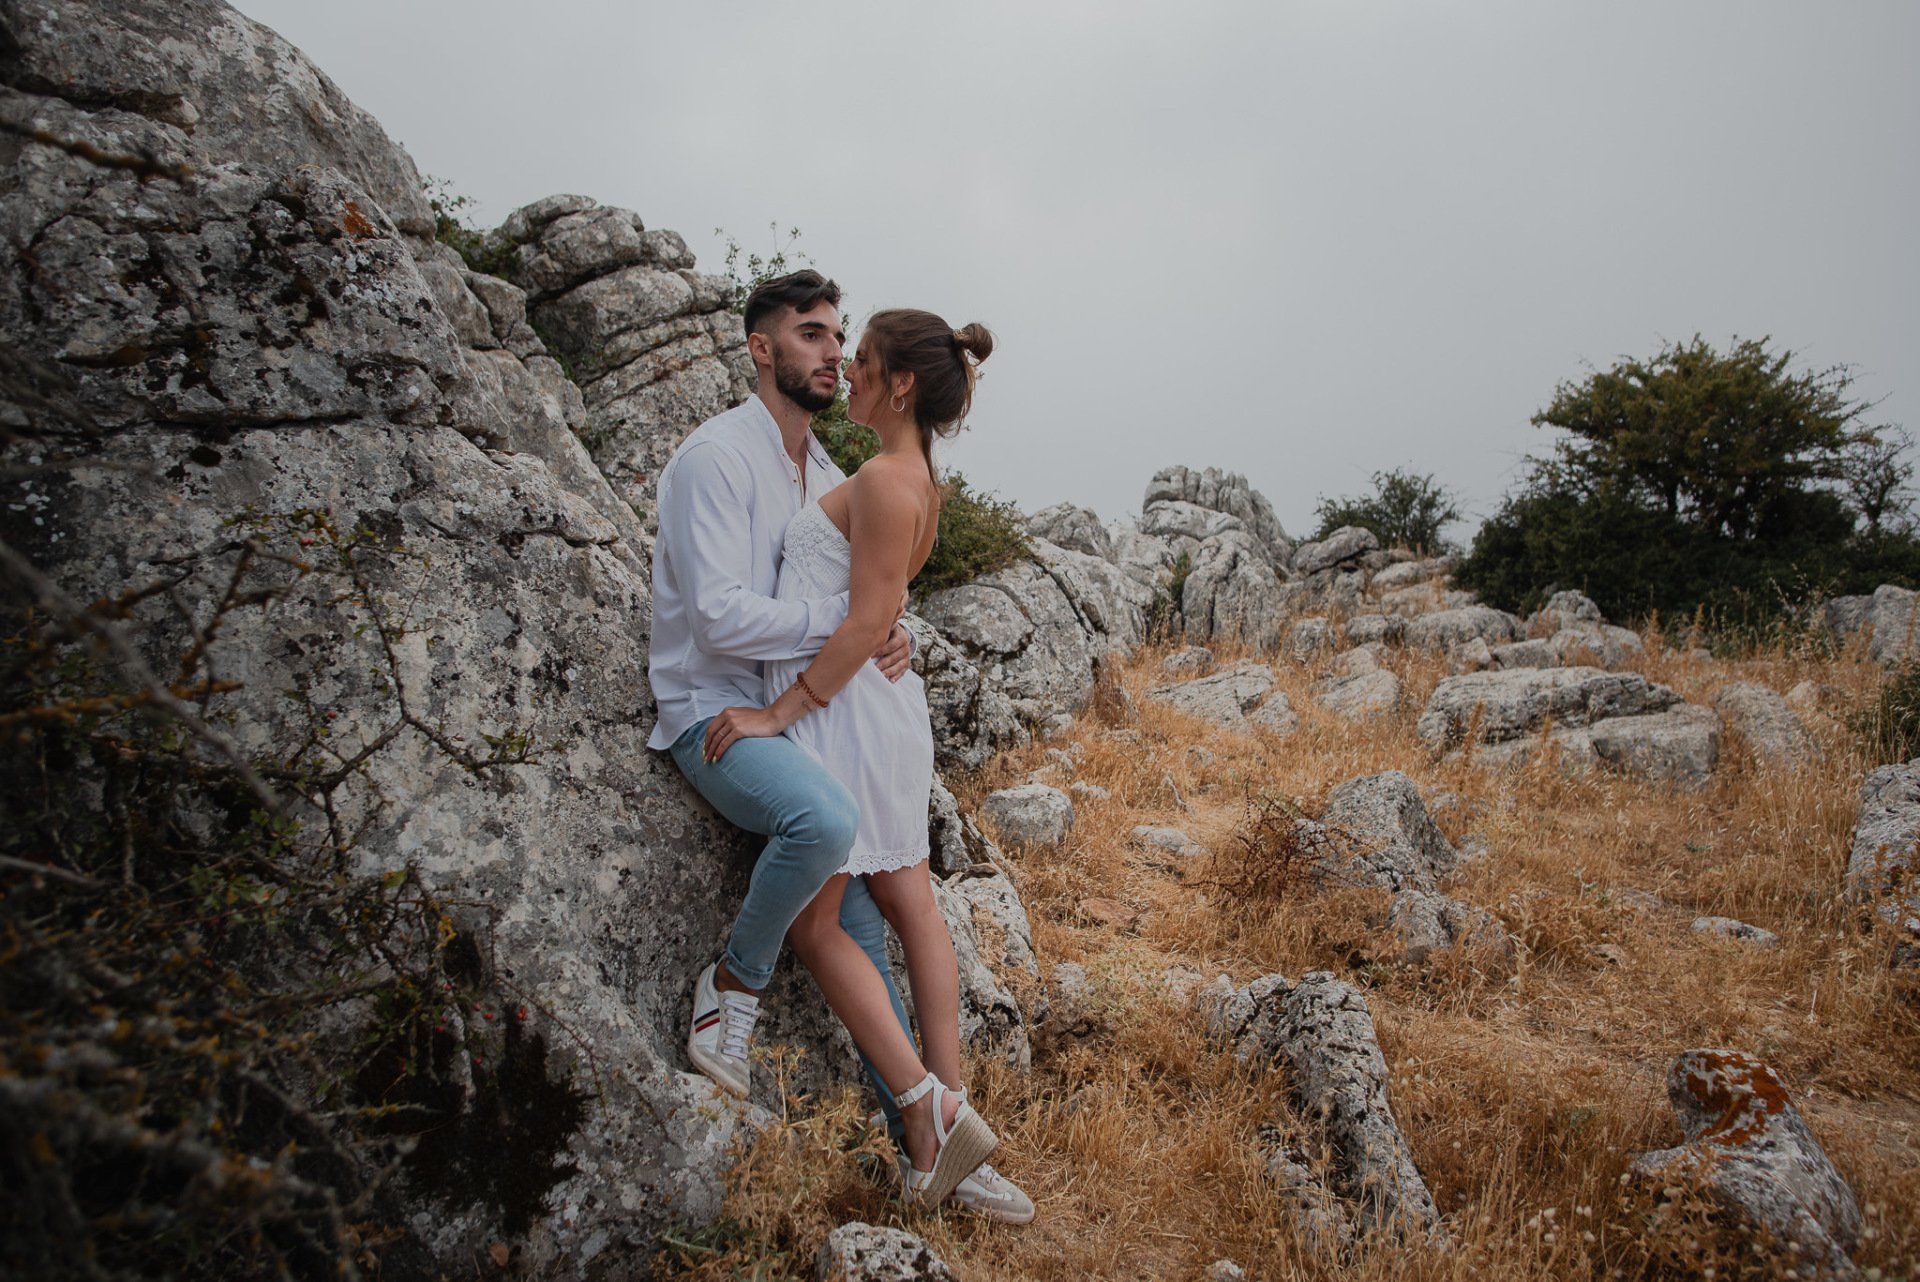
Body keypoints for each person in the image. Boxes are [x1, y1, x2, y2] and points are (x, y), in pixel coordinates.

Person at [700, 305, 1030, 1216]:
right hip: (878, 710)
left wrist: (780, 711)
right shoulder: (909, 476)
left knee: (818, 927)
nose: (847, 368)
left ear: (902, 383)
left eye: (865, 359)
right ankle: (949, 1114)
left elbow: (863, 622)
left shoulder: (885, 478)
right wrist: (886, 632)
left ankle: (934, 1114)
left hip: (845, 713)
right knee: (910, 904)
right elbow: (880, 608)